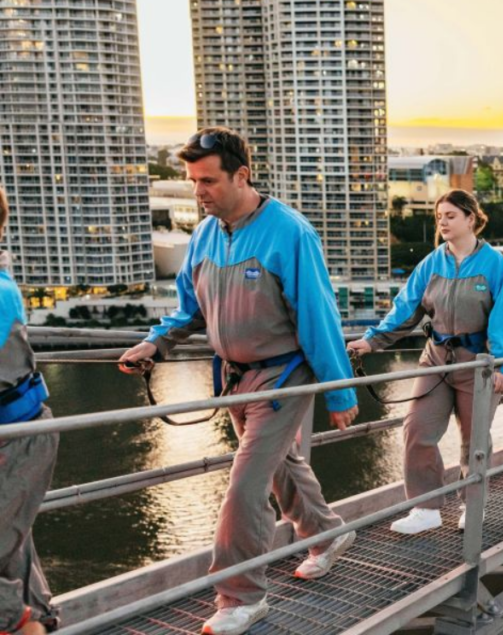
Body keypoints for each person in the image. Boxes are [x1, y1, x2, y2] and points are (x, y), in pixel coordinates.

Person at [119, 128, 360, 635]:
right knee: (279, 469)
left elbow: (319, 318)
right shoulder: (205, 235)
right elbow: (188, 309)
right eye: (191, 182)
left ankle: (241, 596)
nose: (198, 192)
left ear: (241, 175)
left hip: (282, 377)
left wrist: (339, 393)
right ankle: (327, 533)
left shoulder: (290, 232)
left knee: (244, 487)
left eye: (207, 180)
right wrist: (155, 344)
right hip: (233, 378)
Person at [347, 190, 503, 535]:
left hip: (478, 364)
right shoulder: (431, 263)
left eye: (451, 215)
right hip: (436, 360)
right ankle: (426, 508)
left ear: (471, 218)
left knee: (475, 440)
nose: (442, 222)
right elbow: (406, 309)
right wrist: (371, 341)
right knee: (417, 430)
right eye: (439, 216)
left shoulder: (494, 264)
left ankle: (472, 505)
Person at [0, 188, 59, 635]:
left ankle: (23, 621)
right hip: (14, 435)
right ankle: (32, 620)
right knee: (10, 552)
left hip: (18, 440)